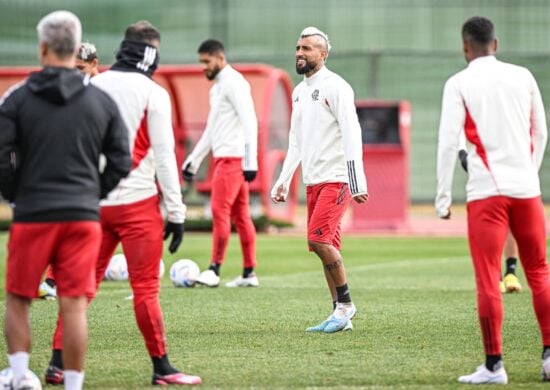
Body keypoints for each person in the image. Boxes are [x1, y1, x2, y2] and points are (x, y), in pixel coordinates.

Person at [45, 20, 201, 386]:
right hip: (137, 204)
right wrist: (177, 213)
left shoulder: (93, 84)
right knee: (146, 288)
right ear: (152, 52)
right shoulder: (152, 92)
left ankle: (56, 363)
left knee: (78, 287)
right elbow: (164, 155)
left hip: (93, 203)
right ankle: (162, 368)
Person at [0, 10, 131, 390]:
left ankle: (22, 376)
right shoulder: (101, 100)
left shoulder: (18, 96)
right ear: (76, 49)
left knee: (19, 298)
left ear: (42, 48)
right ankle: (73, 385)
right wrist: (93, 193)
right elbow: (122, 158)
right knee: (73, 305)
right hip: (82, 215)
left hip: (33, 212)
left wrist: (15, 194)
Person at [435, 16, 550, 384]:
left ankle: (494, 366)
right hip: (527, 190)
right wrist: (529, 172)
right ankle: (549, 357)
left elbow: (448, 144)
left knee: (488, 277)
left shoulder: (458, 83)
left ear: (465, 47)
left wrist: (442, 197)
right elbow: (541, 132)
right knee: (539, 271)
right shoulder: (524, 76)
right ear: (495, 44)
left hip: (486, 193)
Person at [271, 27, 368, 333]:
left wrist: (356, 179)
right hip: (314, 180)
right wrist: (283, 179)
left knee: (318, 239)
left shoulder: (336, 86)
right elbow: (296, 140)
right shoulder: (299, 92)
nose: (300, 53)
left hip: (337, 178)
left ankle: (347, 304)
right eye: (298, 47)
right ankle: (339, 315)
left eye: (308, 48)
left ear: (323, 54)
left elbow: (352, 131)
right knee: (323, 246)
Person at [181, 39, 259, 288]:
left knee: (220, 212)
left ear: (220, 57)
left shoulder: (235, 83)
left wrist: (250, 160)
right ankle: (249, 273)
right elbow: (212, 131)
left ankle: (214, 269)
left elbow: (250, 120)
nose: (203, 66)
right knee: (241, 216)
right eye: (201, 62)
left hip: (232, 160)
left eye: (206, 61)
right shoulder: (218, 87)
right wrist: (193, 160)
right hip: (225, 159)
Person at [38, 40, 102, 302]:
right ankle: (53, 280)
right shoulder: (71, 89)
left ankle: (145, 276)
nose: (76, 73)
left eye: (81, 67)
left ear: (94, 64)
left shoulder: (106, 89)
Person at [457, 137, 522, 294]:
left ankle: (510, 273)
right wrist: (463, 153)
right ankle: (497, 276)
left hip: (508, 173)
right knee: (491, 228)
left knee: (509, 223)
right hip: (484, 179)